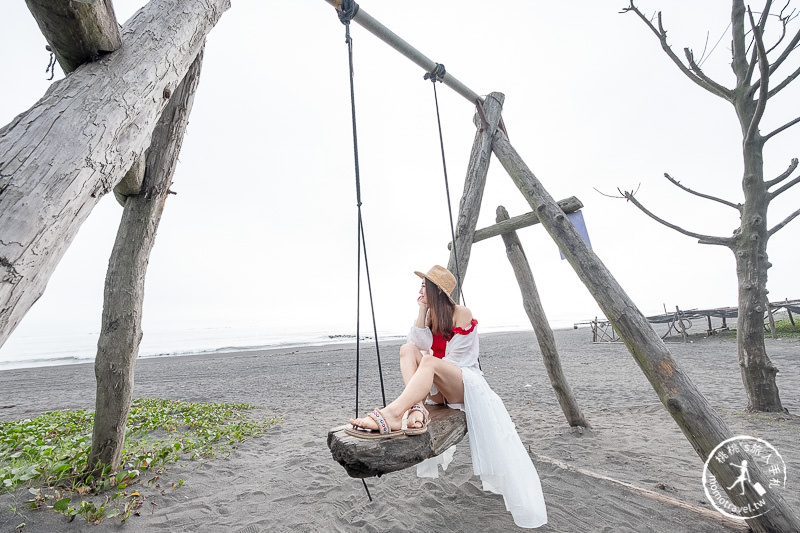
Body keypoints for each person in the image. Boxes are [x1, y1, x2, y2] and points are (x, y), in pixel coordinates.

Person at [347, 265, 548, 529]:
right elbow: (415, 347)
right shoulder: (430, 315)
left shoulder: (462, 313)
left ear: (437, 290)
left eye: (424, 286)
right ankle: (416, 408)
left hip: (463, 383)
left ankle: (394, 413)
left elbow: (459, 361)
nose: (420, 290)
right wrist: (421, 312)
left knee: (429, 361)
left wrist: (431, 366)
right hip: (437, 384)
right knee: (407, 349)